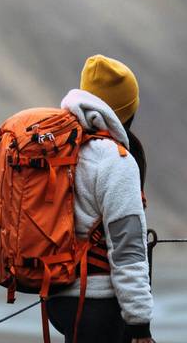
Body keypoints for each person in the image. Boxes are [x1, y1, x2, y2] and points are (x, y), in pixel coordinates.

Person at [48, 54, 155, 343]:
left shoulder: (58, 146)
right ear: (126, 111)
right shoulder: (115, 160)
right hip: (99, 305)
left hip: (58, 300)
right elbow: (128, 249)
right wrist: (140, 324)